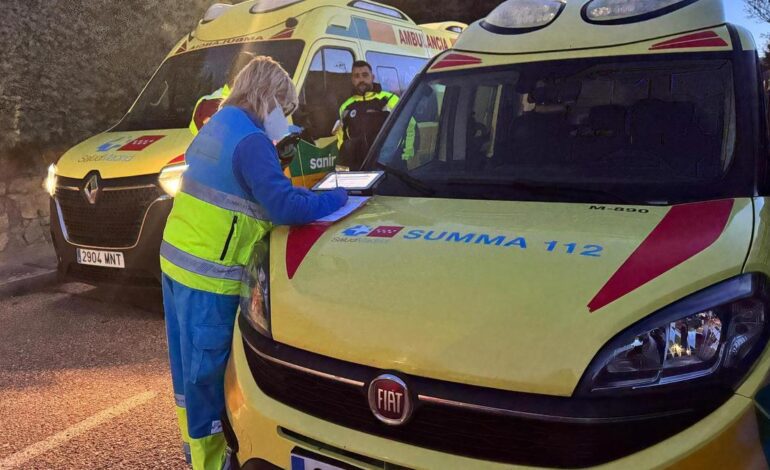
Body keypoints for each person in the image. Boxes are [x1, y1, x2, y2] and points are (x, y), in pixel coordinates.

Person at [160, 56, 348, 470]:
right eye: (286, 107)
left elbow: (237, 187)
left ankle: (195, 455)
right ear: (271, 99)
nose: (287, 116)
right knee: (208, 380)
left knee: (187, 378)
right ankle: (212, 463)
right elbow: (283, 204)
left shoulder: (220, 123)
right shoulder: (251, 142)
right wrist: (340, 197)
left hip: (177, 263)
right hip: (210, 277)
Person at [335, 60, 400, 170]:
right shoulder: (345, 106)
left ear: (372, 77)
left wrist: (403, 155)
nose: (361, 80)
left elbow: (409, 128)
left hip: (387, 163)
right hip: (358, 166)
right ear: (352, 79)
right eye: (357, 76)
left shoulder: (390, 100)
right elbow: (341, 137)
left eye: (365, 75)